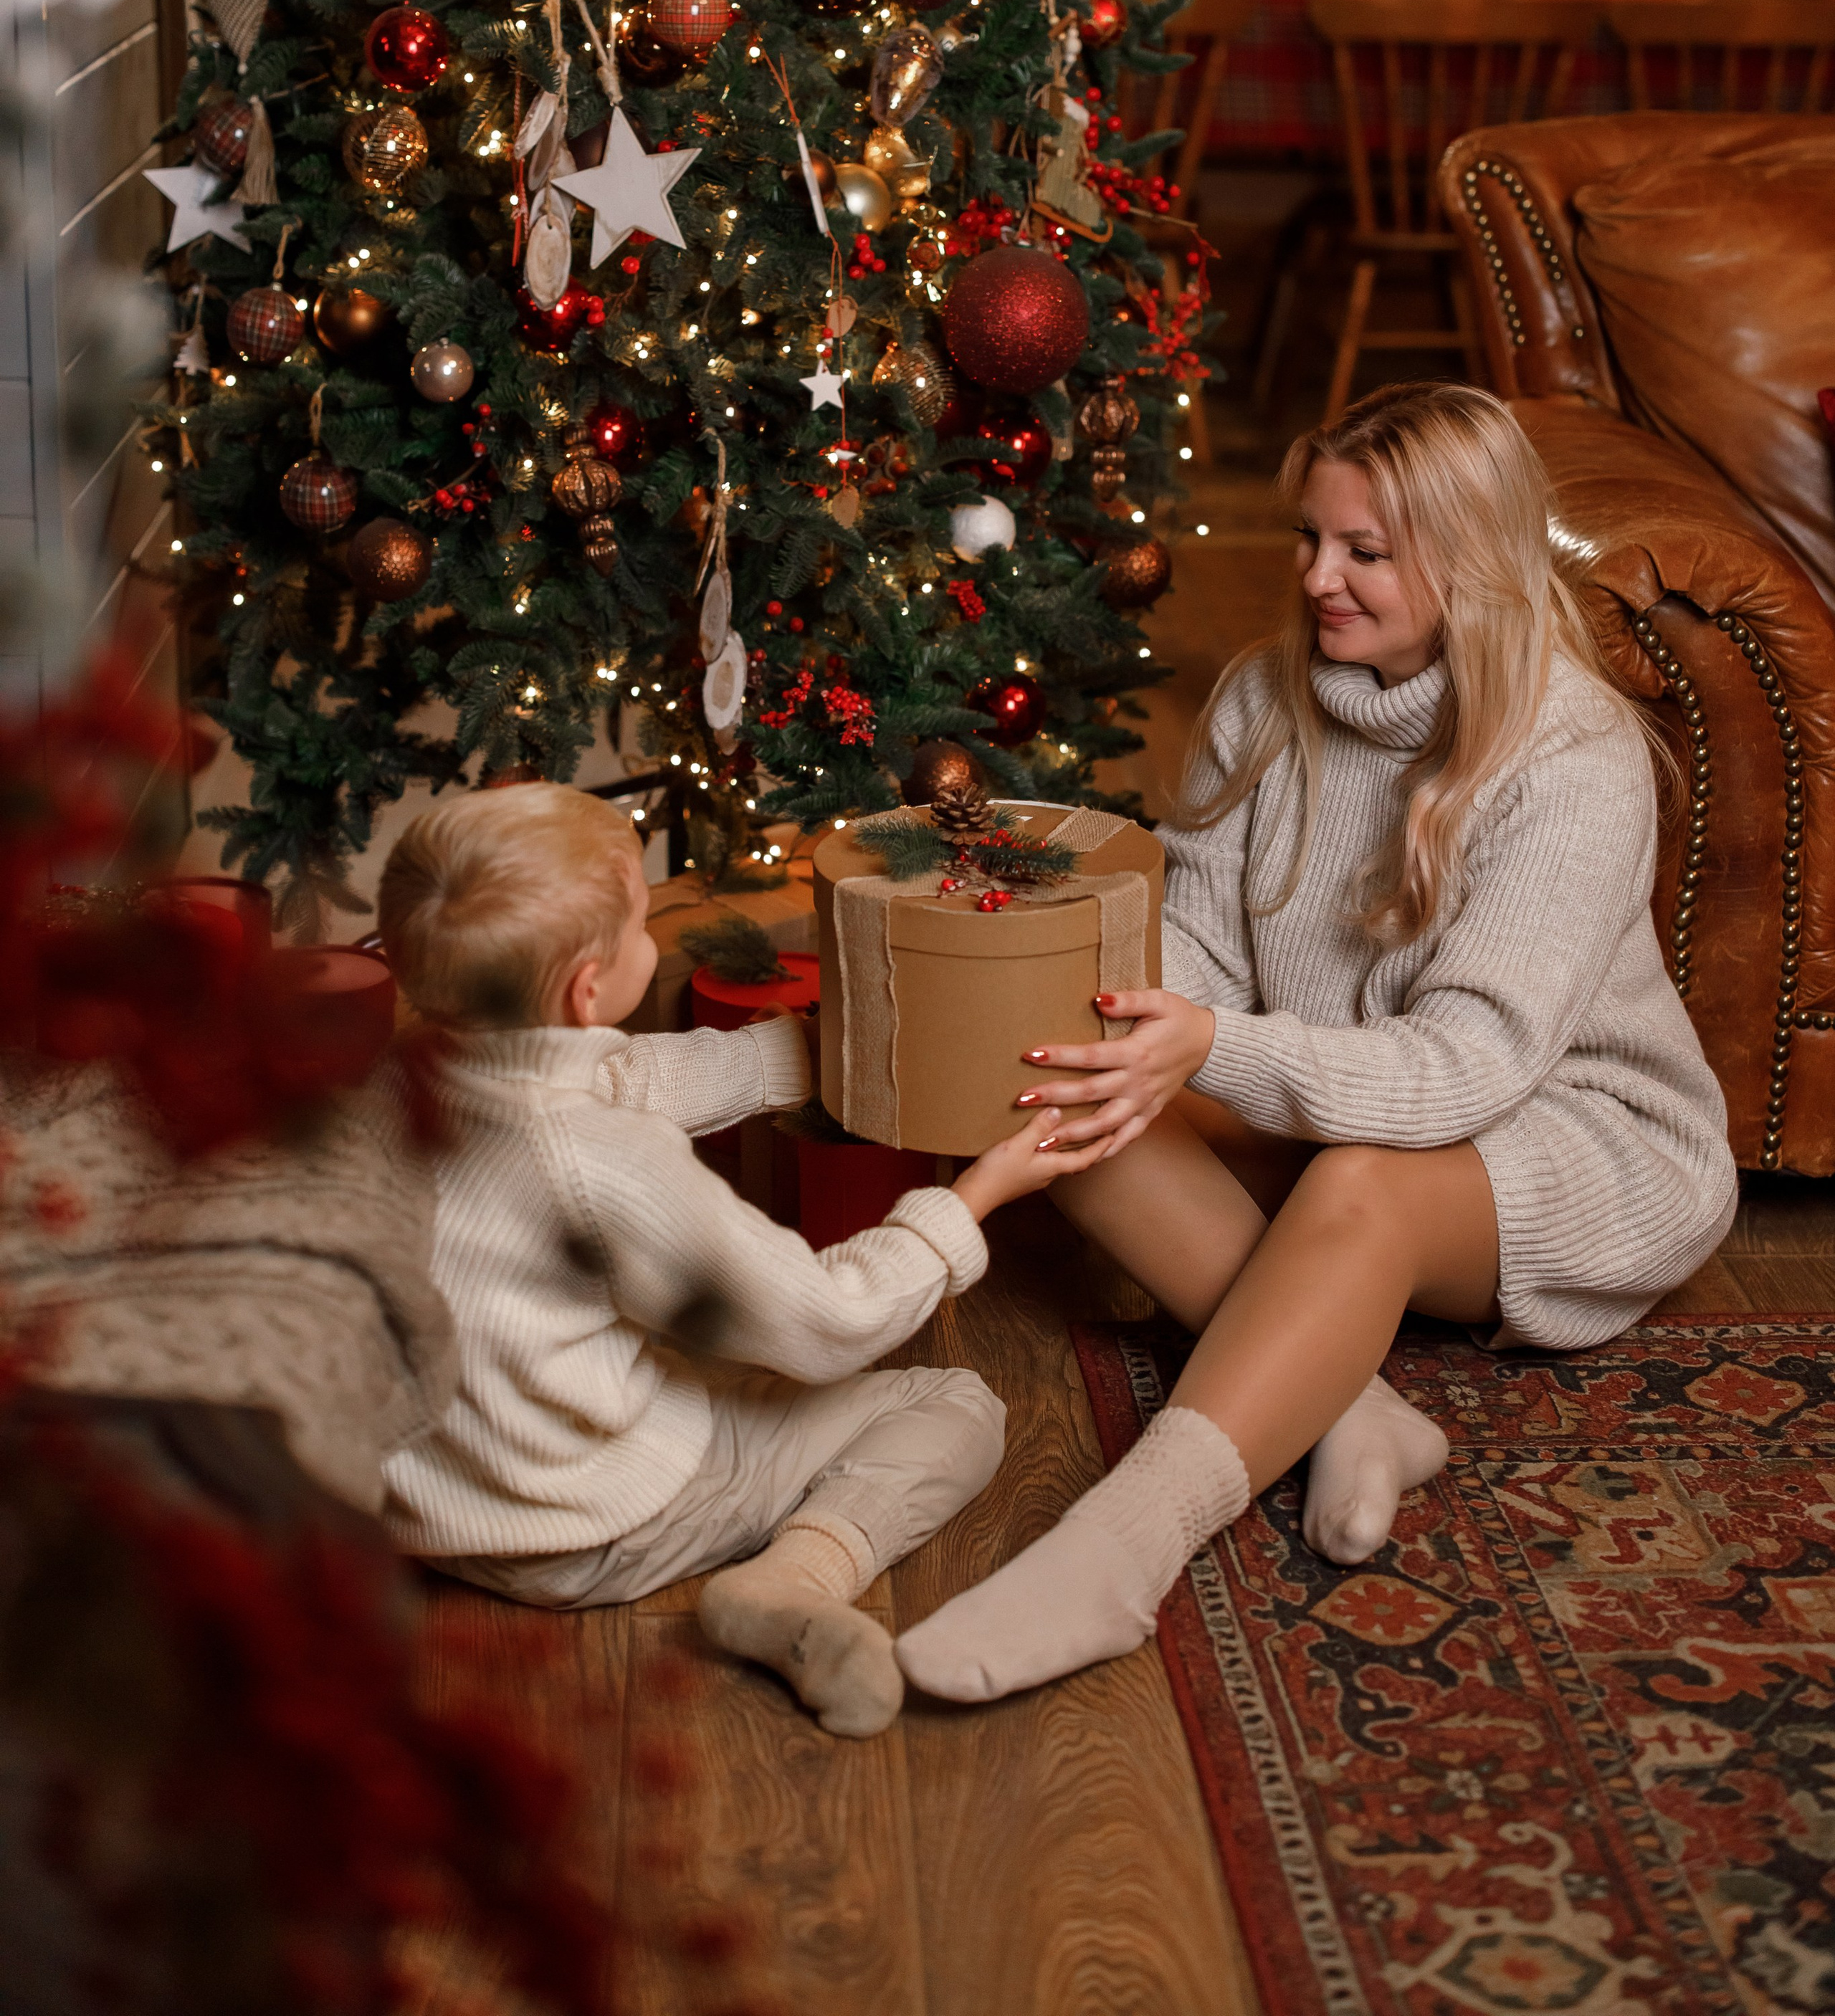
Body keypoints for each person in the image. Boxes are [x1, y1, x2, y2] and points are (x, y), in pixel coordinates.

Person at [895, 382, 1738, 1705]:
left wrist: (1217, 1048)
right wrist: (1164, 1032)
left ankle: (1122, 1550)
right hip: (1347, 1094)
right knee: (1082, 1088)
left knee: (1354, 1184)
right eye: (1310, 538)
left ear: (1472, 560)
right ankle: (1350, 1406)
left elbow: (1469, 1069)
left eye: (1365, 552)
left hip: (1573, 1140)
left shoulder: (1573, 757)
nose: (1317, 580)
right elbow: (1209, 957)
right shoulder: (1269, 694)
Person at [374, 783, 1095, 1738]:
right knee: (955, 1405)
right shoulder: (605, 1164)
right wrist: (975, 1200)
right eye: (640, 922)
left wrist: (808, 1048)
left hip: (429, 1501)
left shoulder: (380, 1086)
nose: (647, 936)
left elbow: (619, 1078)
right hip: (587, 1523)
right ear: (590, 988)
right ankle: (791, 1579)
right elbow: (828, 1323)